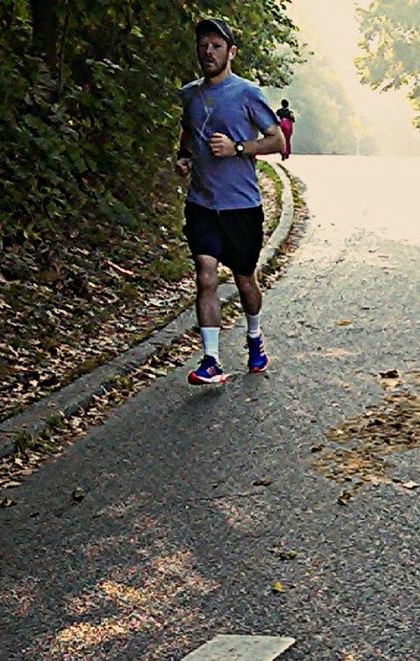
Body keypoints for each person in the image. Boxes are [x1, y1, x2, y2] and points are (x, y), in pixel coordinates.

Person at [175, 17, 285, 385]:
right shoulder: (189, 93)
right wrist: (184, 157)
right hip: (202, 204)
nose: (208, 52)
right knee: (205, 276)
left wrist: (238, 148)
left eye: (216, 46)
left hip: (241, 206)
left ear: (231, 52)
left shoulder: (247, 93)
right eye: (203, 46)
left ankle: (254, 337)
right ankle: (211, 361)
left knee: (244, 281)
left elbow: (276, 141)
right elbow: (188, 131)